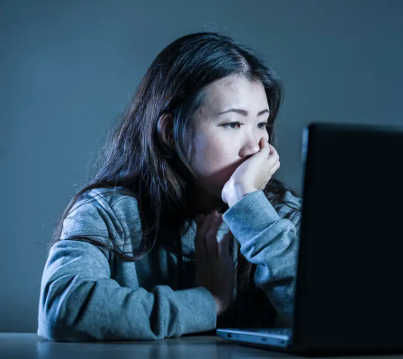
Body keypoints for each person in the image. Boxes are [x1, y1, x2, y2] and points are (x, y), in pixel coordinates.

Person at [37, 32, 302, 341]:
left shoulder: (280, 216)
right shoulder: (108, 214)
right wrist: (210, 301)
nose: (254, 147)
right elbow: (63, 310)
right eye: (233, 124)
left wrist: (250, 208)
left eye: (261, 124)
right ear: (169, 132)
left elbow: (330, 317)